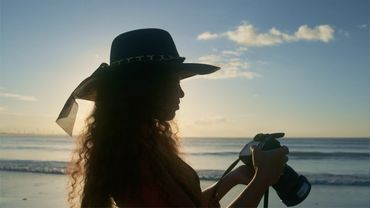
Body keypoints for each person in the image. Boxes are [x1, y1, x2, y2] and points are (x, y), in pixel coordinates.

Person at [56, 28, 289, 208]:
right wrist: (262, 179)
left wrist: (232, 179)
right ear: (144, 88)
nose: (181, 93)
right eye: (173, 83)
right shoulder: (133, 156)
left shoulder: (141, 142)